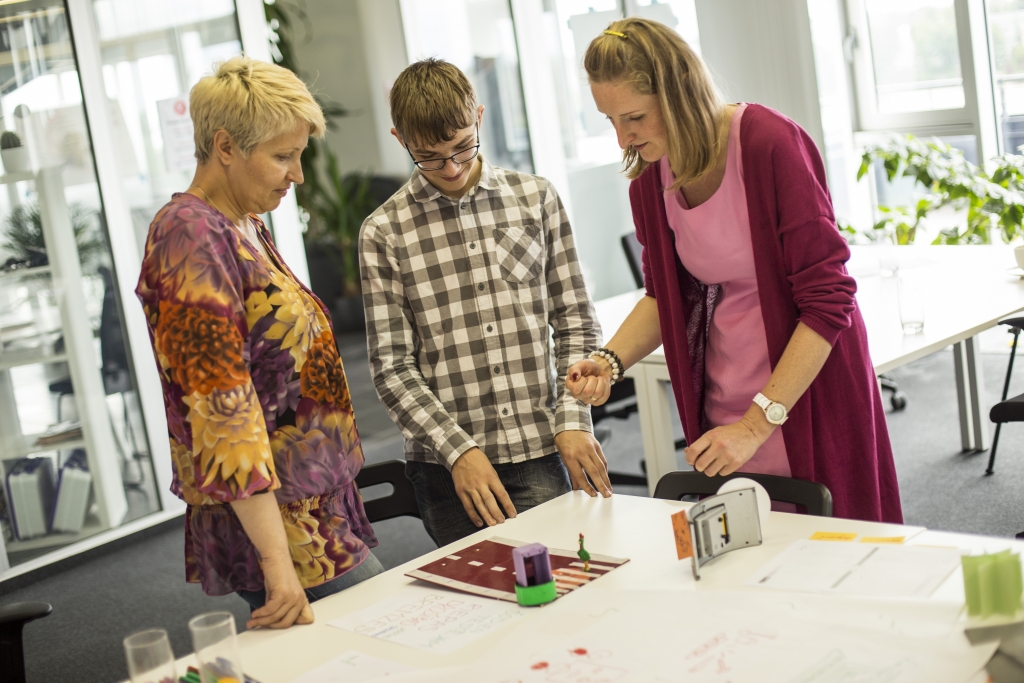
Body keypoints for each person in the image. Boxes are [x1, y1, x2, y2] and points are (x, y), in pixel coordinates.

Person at [567, 19, 902, 523]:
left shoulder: (769, 143)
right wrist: (609, 362)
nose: (622, 139)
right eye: (609, 120)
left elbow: (829, 298)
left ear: (679, 91)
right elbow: (662, 298)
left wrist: (756, 424)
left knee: (835, 547)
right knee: (744, 552)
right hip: (727, 404)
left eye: (634, 117)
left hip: (803, 394)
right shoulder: (650, 182)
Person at [135, 56, 382, 630]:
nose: (298, 175)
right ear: (225, 146)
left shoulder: (244, 223)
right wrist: (277, 564)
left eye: (299, 155)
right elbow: (220, 409)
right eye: (282, 156)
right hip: (281, 524)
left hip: (313, 505)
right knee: (380, 638)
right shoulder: (189, 236)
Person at [359, 59, 610, 548]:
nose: (451, 168)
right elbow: (391, 367)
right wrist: (458, 451)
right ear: (399, 139)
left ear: (479, 117)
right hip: (446, 467)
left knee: (561, 580)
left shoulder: (535, 199)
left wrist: (572, 418)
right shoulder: (384, 232)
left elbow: (575, 322)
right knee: (475, 590)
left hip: (540, 445)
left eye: (462, 147)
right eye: (429, 157)